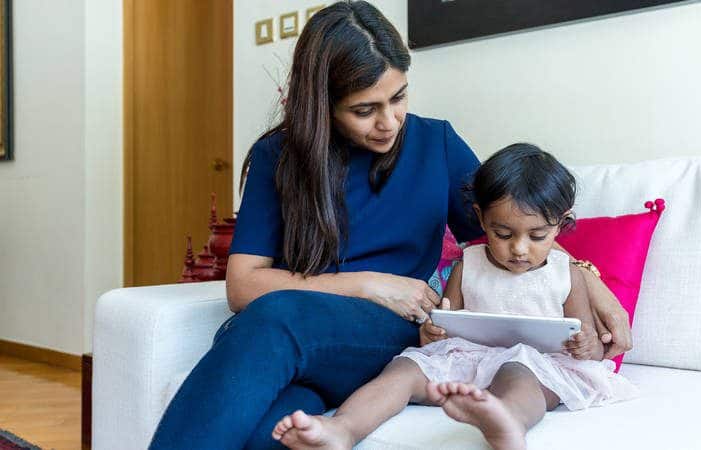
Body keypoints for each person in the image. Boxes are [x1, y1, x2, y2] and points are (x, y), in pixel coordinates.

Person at [148, 2, 632, 449]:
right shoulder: (278, 158)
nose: (390, 121)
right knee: (266, 433)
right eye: (365, 110)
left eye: (398, 97)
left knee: (271, 320)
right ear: (324, 105)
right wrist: (368, 284)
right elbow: (244, 285)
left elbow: (508, 233)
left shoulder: (435, 143)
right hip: (308, 344)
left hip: (396, 336)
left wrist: (589, 281)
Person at [272, 144, 639, 450]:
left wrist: (584, 344)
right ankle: (343, 429)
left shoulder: (568, 273)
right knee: (403, 369)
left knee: (519, 372)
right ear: (481, 218)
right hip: (467, 358)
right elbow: (445, 322)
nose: (519, 249)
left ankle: (507, 420)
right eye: (503, 233)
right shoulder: (470, 263)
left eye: (538, 236)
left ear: (561, 224)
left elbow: (586, 342)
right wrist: (432, 333)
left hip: (537, 366)